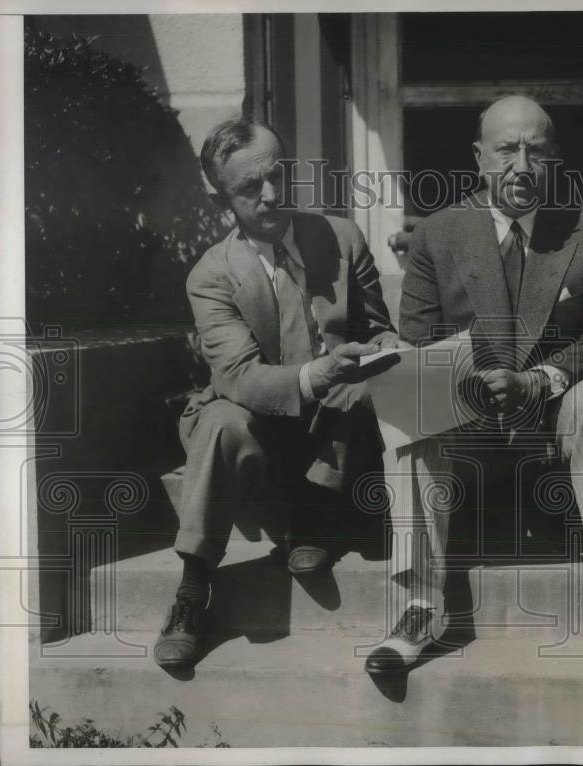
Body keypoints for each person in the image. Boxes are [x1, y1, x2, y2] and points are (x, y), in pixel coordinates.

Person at [364, 95, 583, 678]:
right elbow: (419, 344)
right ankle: (421, 604)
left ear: (555, 161)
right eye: (507, 150)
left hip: (553, 427)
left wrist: (538, 380)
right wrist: (471, 384)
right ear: (479, 159)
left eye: (537, 151)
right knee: (411, 398)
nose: (522, 165)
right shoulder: (439, 235)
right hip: (467, 430)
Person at [154, 118, 402, 668]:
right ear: (219, 196)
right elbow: (240, 377)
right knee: (221, 420)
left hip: (336, 432)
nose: (272, 194)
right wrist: (318, 374)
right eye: (249, 187)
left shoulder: (340, 238)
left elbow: (376, 327)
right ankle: (193, 590)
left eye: (280, 175)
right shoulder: (211, 276)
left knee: (359, 393)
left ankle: (313, 521)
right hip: (260, 430)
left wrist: (386, 345)